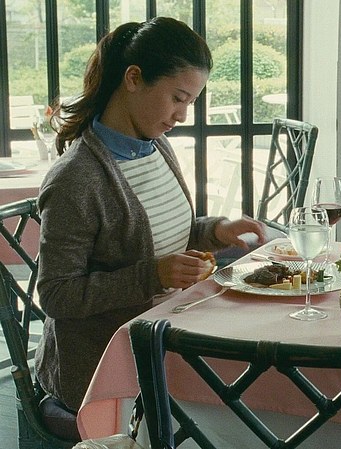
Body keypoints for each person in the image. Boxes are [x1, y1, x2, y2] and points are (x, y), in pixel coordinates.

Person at [35, 17, 266, 415]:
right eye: (178, 98)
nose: (182, 115)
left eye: (190, 102)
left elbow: (160, 237)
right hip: (106, 373)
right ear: (133, 78)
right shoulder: (77, 179)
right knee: (247, 405)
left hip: (163, 340)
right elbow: (57, 294)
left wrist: (217, 231)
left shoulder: (156, 146)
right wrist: (153, 276)